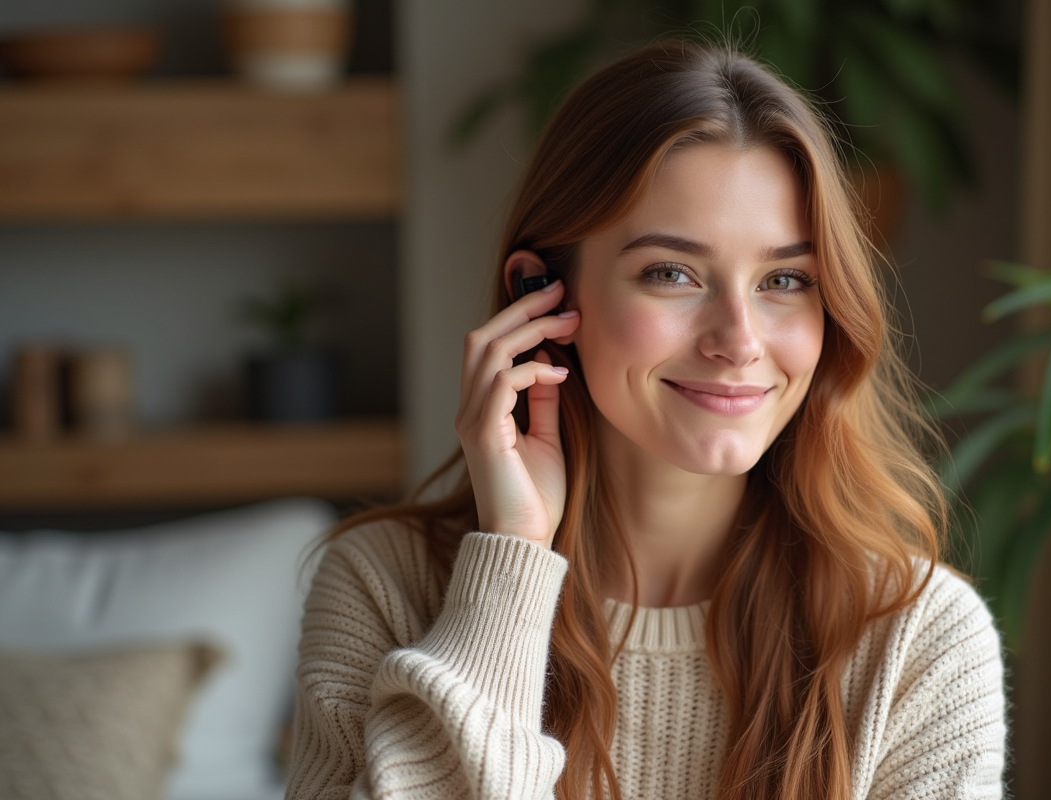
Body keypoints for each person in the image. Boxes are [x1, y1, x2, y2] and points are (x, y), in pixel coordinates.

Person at [285, 39, 1006, 800]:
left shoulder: (919, 636)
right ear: (545, 298)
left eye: (785, 279)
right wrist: (510, 561)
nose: (738, 339)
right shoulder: (381, 585)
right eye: (672, 273)